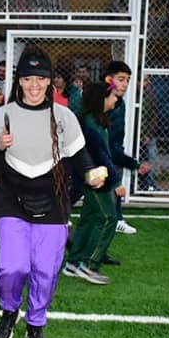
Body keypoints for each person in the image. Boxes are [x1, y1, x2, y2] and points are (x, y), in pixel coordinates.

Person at [0, 48, 105, 338]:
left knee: (45, 270)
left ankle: (36, 324)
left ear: (50, 81)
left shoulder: (64, 116)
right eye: (28, 78)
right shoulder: (4, 114)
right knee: (12, 268)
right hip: (11, 199)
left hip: (53, 201)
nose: (34, 85)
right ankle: (9, 311)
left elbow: (79, 155)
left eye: (40, 78)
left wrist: (91, 173)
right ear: (19, 81)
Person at [62, 82, 122, 285]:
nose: (116, 99)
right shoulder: (90, 124)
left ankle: (73, 262)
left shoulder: (96, 121)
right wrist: (116, 182)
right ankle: (87, 265)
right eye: (113, 95)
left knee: (89, 218)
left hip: (93, 177)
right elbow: (101, 157)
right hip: (96, 179)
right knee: (108, 218)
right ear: (102, 99)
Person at [104, 61, 150, 235]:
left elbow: (114, 141)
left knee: (104, 191)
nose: (125, 84)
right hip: (99, 156)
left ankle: (117, 219)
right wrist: (134, 165)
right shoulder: (106, 102)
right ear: (109, 80)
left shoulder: (119, 102)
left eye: (127, 80)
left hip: (108, 155)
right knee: (87, 187)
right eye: (121, 79)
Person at [138, 76, 159, 191]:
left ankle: (148, 184)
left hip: (146, 134)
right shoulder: (132, 94)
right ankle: (133, 183)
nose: (148, 82)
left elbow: (153, 116)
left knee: (149, 158)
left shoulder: (150, 95)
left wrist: (148, 134)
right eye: (145, 79)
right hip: (136, 133)